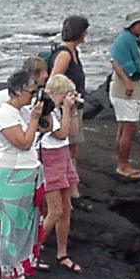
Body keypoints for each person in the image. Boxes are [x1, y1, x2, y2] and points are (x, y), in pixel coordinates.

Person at [0, 68, 52, 279]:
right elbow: (24, 143)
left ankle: (20, 276)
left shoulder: (23, 111)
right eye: (31, 92)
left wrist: (46, 110)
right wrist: (34, 118)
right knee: (11, 230)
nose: (33, 97)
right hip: (10, 177)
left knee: (26, 229)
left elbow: (45, 128)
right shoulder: (5, 114)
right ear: (17, 90)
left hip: (28, 174)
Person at [38, 73, 83, 272]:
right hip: (49, 159)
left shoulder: (59, 111)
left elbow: (71, 132)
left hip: (62, 156)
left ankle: (62, 253)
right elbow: (61, 133)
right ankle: (33, 249)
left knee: (66, 209)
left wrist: (72, 111)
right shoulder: (46, 112)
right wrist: (65, 109)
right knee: (55, 210)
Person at [48, 15, 89, 199]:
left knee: (73, 147)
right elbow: (54, 82)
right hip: (66, 107)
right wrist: (63, 104)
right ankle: (71, 188)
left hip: (74, 105)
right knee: (68, 146)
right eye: (85, 31)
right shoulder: (64, 54)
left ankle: (71, 185)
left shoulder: (74, 52)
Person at [109, 11, 140, 180]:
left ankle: (122, 163)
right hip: (125, 92)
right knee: (128, 128)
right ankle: (123, 166)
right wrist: (127, 81)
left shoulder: (132, 41)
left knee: (123, 127)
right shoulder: (124, 40)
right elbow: (115, 61)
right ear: (132, 25)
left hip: (129, 91)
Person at [0, 55, 48, 134]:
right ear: (35, 73)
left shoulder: (34, 92)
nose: (46, 75)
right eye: (43, 72)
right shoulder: (17, 92)